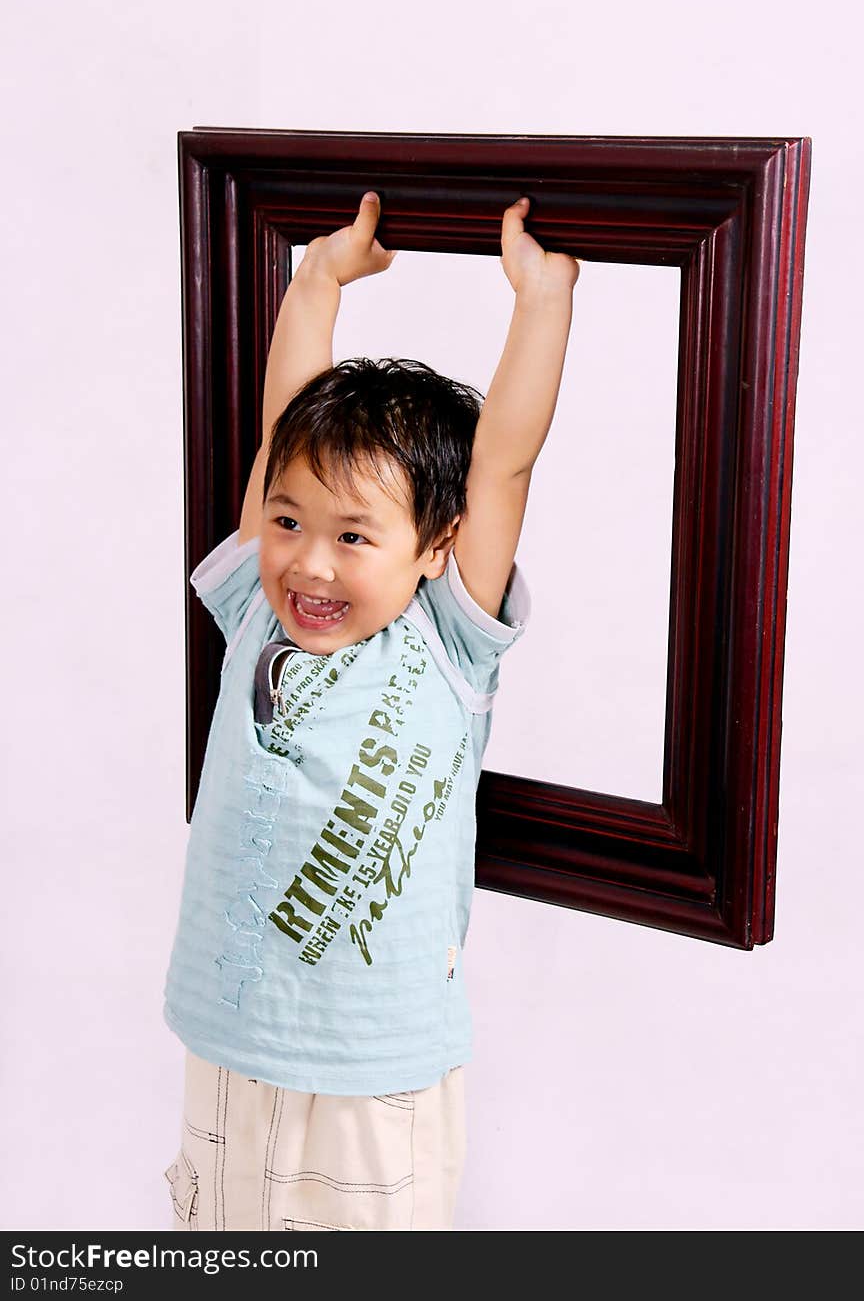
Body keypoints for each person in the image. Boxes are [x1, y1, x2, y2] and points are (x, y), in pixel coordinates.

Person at [162, 191, 579, 1232]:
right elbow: (284, 421)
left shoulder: (445, 637)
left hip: (374, 1061)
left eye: (355, 537)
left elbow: (504, 463)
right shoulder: (260, 605)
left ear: (435, 545)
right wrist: (316, 279)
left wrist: (543, 300)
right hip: (230, 1044)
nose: (308, 558)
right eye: (289, 519)